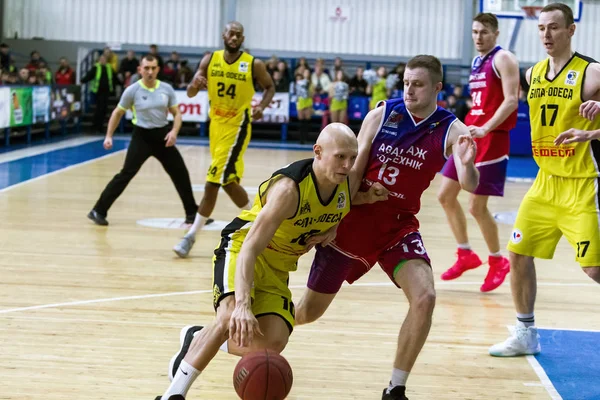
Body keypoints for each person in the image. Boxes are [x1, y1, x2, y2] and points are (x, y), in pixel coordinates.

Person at [293, 55, 480, 400]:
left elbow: (469, 183)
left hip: (398, 228)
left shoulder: (453, 129)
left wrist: (467, 164)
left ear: (437, 87)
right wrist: (335, 219)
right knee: (306, 312)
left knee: (425, 297)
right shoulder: (381, 115)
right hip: (354, 225)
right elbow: (351, 172)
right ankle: (232, 331)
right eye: (406, 82)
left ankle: (395, 389)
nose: (409, 89)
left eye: (418, 84)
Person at [155, 123, 387, 400]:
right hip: (243, 249)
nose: (348, 164)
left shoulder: (344, 183)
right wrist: (242, 305)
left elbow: (343, 204)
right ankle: (173, 394)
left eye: (352, 157)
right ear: (318, 152)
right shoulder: (289, 191)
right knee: (230, 317)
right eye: (340, 157)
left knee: (273, 342)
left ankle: (197, 337)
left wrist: (347, 215)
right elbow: (250, 247)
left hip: (278, 267)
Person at [489, 3, 600, 357]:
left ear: (571, 30)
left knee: (594, 269)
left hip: (583, 182)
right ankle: (526, 333)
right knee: (518, 253)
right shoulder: (532, 73)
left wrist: (593, 129)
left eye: (554, 27)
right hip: (545, 181)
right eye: (541, 28)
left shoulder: (591, 72)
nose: (546, 35)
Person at [173, 21, 275, 257]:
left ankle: (190, 237)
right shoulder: (210, 59)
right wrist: (194, 84)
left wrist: (262, 106)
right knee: (228, 182)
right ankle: (261, 223)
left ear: (243, 38)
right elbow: (190, 92)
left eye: (239, 35)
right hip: (216, 126)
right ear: (224, 35)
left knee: (213, 181)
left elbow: (269, 87)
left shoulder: (252, 64)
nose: (235, 37)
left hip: (238, 126)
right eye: (231, 33)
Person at [437, 13, 519, 292]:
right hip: (471, 135)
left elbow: (510, 100)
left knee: (476, 206)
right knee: (445, 195)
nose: (478, 37)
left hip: (493, 138)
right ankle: (465, 254)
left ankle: (498, 261)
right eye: (474, 32)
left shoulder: (503, 58)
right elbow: (478, 103)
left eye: (483, 32)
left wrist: (485, 128)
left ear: (495, 33)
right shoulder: (476, 62)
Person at [87, 55, 197, 226]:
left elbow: (177, 114)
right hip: (142, 138)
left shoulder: (166, 89)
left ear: (158, 69)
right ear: (140, 70)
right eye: (146, 68)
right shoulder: (132, 90)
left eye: (153, 68)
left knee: (180, 173)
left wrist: (174, 131)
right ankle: (98, 210)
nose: (150, 71)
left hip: (162, 137)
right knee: (125, 174)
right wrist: (109, 136)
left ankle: (192, 214)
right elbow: (117, 113)